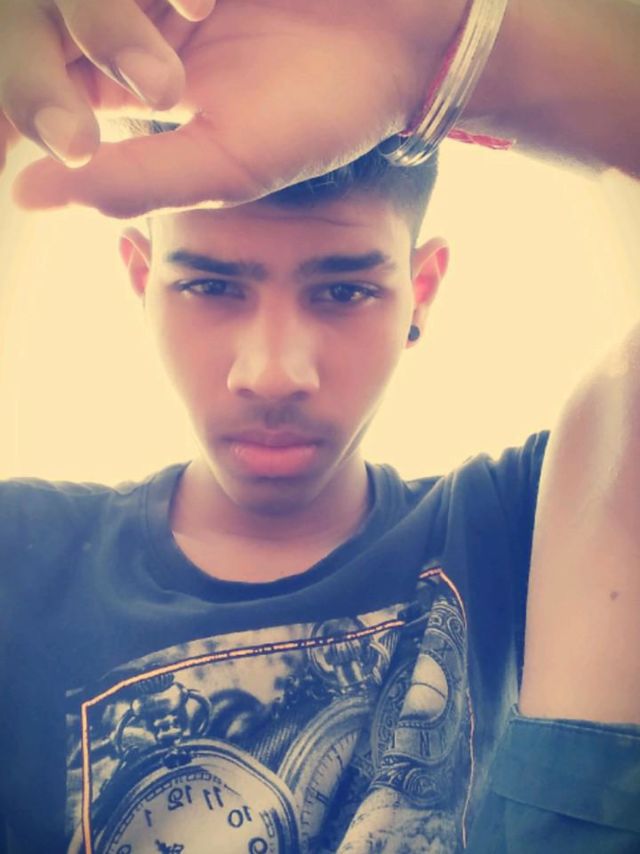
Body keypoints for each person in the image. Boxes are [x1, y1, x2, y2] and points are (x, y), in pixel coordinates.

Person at [0, 1, 638, 852]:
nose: (272, 373)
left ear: (422, 292)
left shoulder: (536, 529)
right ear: (140, 280)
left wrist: (443, 50)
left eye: (344, 291)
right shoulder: (18, 556)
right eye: (210, 286)